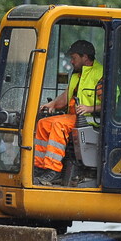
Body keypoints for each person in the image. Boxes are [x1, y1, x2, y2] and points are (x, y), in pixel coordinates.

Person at [33, 40, 103, 186]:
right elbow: (67, 96)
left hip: (90, 119)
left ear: (85, 57)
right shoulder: (77, 74)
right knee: (43, 124)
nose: (71, 61)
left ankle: (53, 170)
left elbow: (111, 103)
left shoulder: (100, 74)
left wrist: (89, 109)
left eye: (74, 58)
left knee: (58, 125)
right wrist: (53, 104)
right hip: (73, 117)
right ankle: (39, 167)